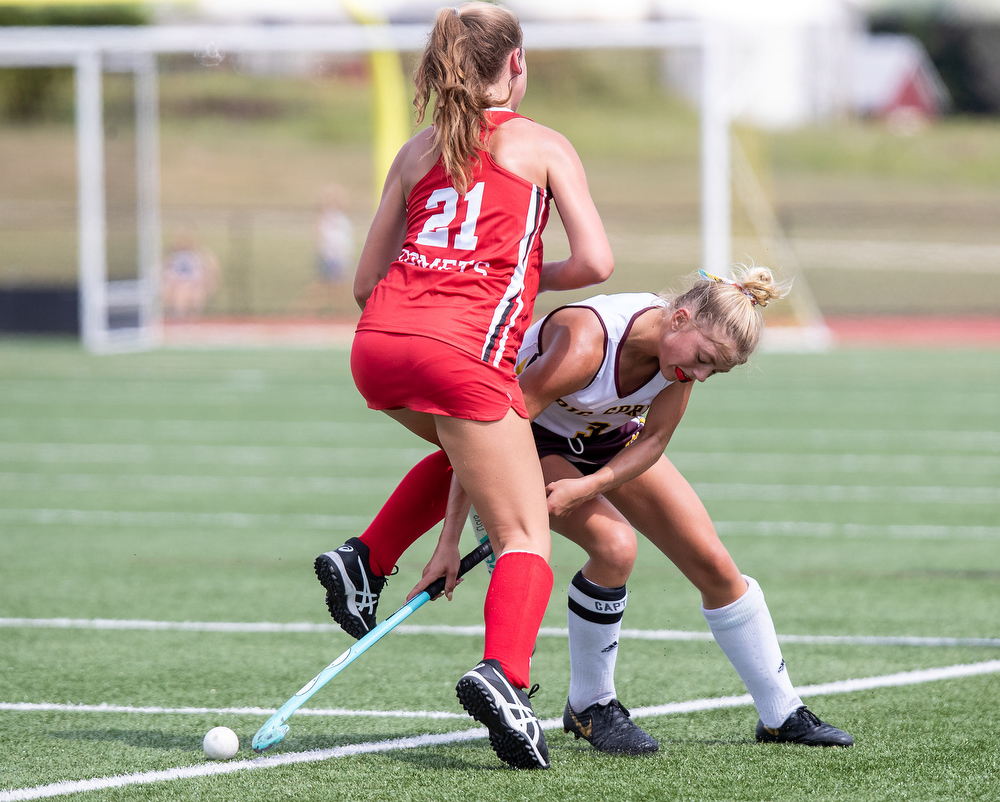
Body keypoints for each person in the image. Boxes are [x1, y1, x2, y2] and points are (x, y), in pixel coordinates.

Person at [328, 266, 855, 757]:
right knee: (615, 547)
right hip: (532, 442)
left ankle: (782, 714)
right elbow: (482, 438)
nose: (699, 373)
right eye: (702, 358)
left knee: (715, 567)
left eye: (714, 370)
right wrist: (448, 543)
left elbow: (653, 442)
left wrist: (591, 487)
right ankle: (591, 706)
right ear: (680, 318)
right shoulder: (586, 344)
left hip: (604, 443)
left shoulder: (679, 363)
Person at [314, 3, 613, 771]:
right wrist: (509, 274)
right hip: (461, 351)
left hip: (378, 346)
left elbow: (363, 282)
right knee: (523, 534)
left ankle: (367, 558)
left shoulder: (416, 151)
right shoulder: (542, 144)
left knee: (476, 450)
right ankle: (504, 676)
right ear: (515, 63)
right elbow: (598, 263)